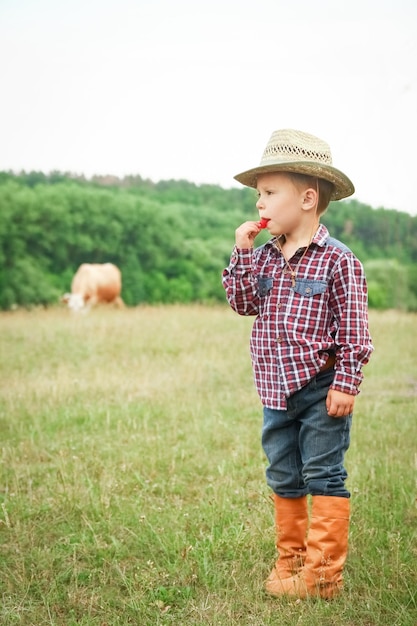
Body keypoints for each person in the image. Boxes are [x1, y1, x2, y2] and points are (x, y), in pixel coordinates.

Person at [222, 128, 374, 599]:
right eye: (257, 196)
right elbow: (243, 302)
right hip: (274, 389)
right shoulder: (264, 256)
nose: (259, 205)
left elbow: (354, 331)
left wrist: (346, 382)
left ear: (307, 198)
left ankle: (324, 574)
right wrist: (242, 253)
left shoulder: (338, 262)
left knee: (324, 472)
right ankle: (290, 560)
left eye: (269, 193)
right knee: (283, 473)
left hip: (320, 387)